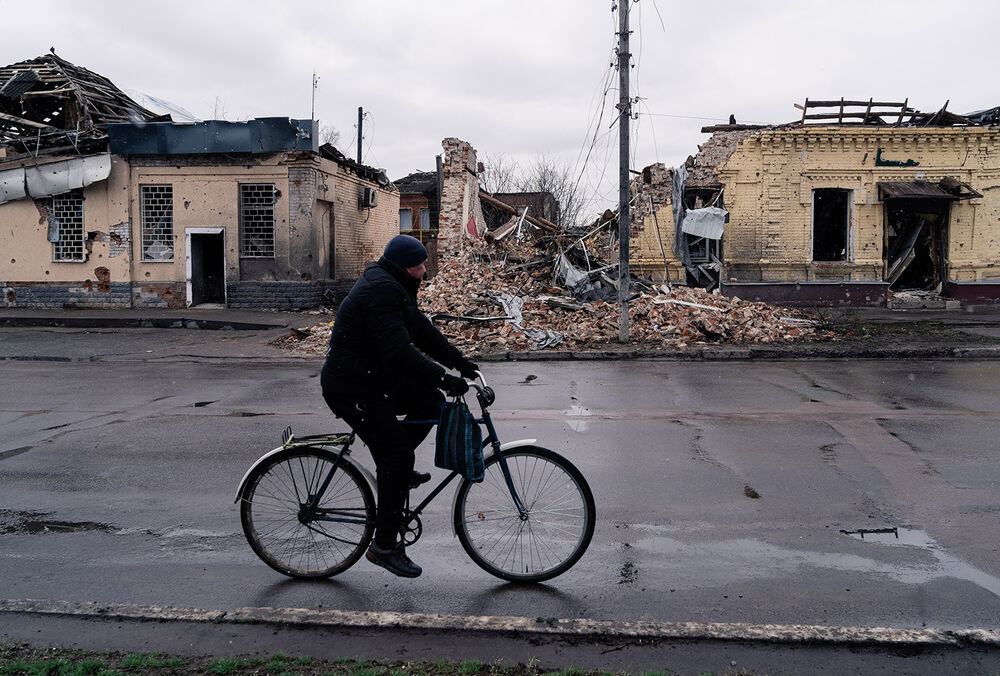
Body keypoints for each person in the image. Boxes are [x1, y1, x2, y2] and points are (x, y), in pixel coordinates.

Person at [321, 234, 479, 578]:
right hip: (351, 386)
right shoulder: (383, 290)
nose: (425, 271)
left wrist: (460, 363)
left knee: (431, 404)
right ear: (408, 266)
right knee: (396, 456)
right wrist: (444, 377)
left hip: (372, 376)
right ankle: (385, 547)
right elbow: (399, 352)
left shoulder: (393, 284)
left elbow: (421, 331)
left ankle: (395, 474)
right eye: (422, 265)